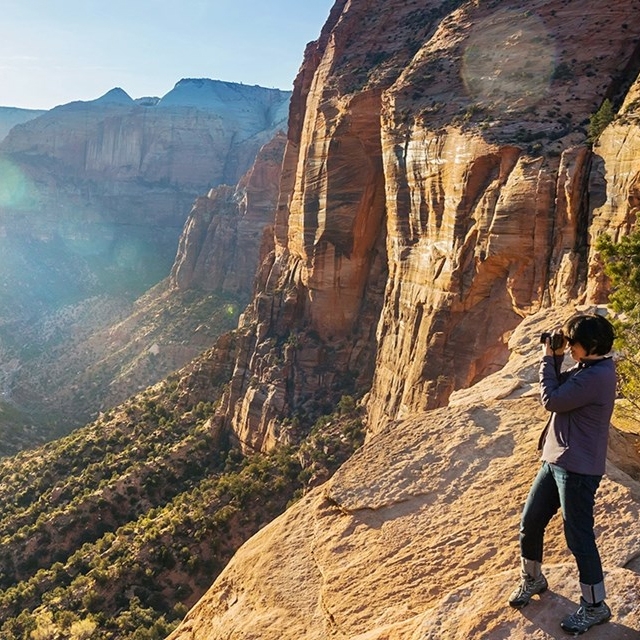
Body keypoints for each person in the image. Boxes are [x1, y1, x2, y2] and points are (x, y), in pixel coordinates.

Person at [508, 313, 617, 635]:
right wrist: (556, 359)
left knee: (579, 536)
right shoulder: (588, 368)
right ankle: (533, 578)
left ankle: (595, 605)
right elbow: (559, 386)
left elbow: (552, 399)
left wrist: (547, 358)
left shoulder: (597, 376)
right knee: (531, 522)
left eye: (572, 342)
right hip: (555, 461)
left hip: (579, 470)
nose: (568, 347)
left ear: (590, 345)